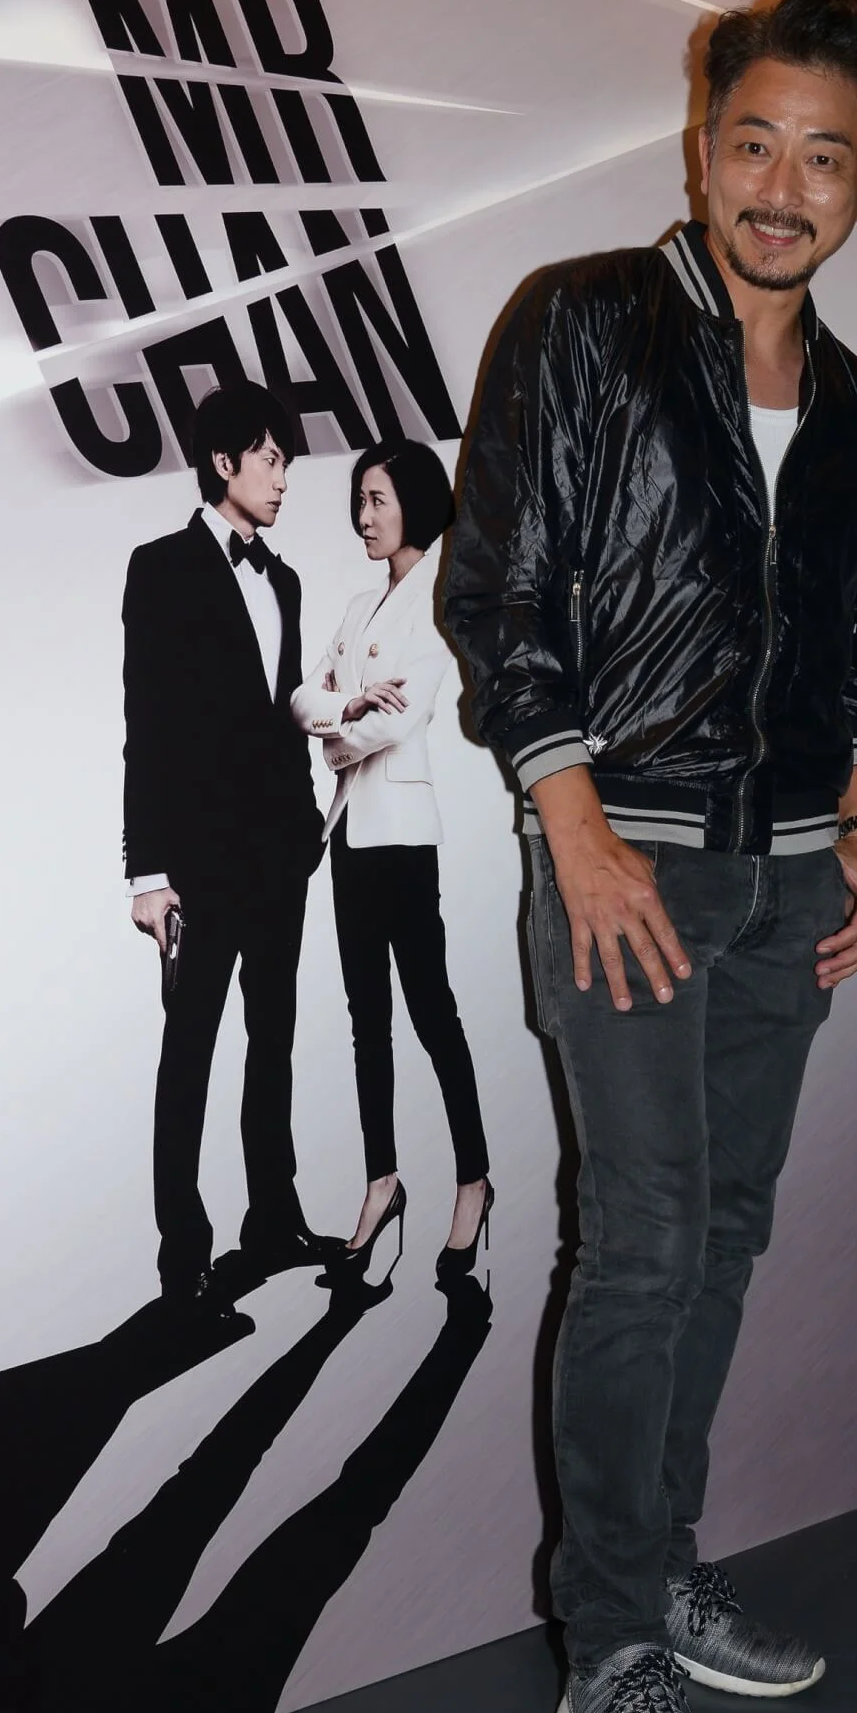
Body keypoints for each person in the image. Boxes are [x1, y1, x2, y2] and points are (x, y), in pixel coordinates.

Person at [445, 0, 857, 1713]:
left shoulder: (856, 403)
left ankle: (663, 1561)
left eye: (824, 158)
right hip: (623, 857)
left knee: (721, 1235)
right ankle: (610, 1644)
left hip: (789, 878)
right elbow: (497, 589)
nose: (783, 187)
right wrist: (572, 822)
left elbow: (841, 646)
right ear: (700, 145)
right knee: (640, 1249)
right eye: (754, 143)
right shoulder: (584, 320)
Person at [124, 383, 338, 1320]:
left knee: (273, 1041)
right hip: (200, 862)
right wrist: (147, 872)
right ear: (224, 463)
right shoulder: (160, 567)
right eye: (271, 459)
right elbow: (146, 727)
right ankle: (184, 1258)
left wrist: (312, 818)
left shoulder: (283, 580)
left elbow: (281, 714)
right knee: (191, 1054)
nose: (284, 478)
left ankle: (273, 1219)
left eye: (285, 461)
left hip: (280, 853)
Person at [291, 441, 492, 1282]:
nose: (363, 517)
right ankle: (383, 1183)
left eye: (376, 500)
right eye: (359, 500)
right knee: (364, 1019)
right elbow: (300, 698)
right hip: (347, 837)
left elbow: (397, 721)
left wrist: (337, 732)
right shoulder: (357, 605)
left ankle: (473, 1180)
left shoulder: (441, 600)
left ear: (414, 501)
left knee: (432, 1012)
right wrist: (345, 708)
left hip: (402, 835)